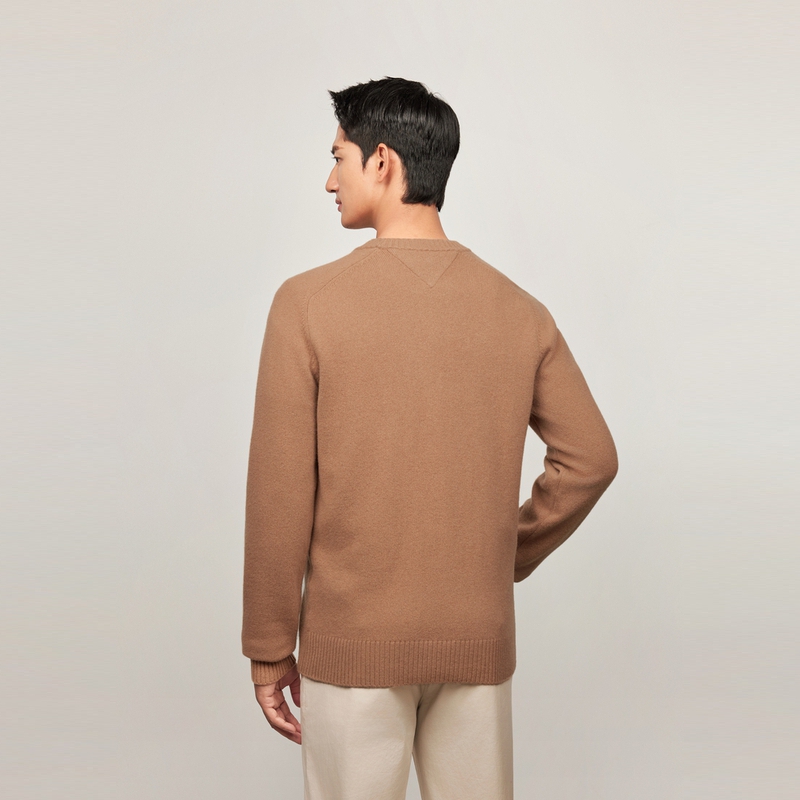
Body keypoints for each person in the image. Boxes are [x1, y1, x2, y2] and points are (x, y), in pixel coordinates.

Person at [241, 76, 618, 800]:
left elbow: (279, 492)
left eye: (338, 157)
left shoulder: (306, 304)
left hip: (353, 645)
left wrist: (267, 646)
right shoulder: (519, 310)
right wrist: (498, 553)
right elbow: (592, 459)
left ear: (382, 161)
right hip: (476, 636)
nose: (330, 180)